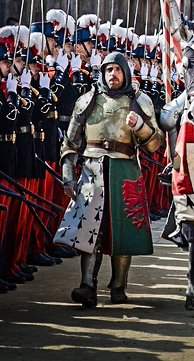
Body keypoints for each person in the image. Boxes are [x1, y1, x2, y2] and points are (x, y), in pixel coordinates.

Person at [54, 52, 163, 307]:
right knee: (90, 229)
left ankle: (118, 285)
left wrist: (141, 127)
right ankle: (87, 285)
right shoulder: (87, 100)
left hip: (125, 170)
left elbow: (155, 143)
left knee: (122, 231)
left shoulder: (139, 101)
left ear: (125, 71)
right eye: (108, 69)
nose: (112, 74)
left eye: (117, 69)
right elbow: (70, 142)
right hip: (92, 170)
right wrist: (68, 177)